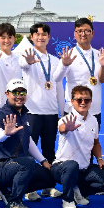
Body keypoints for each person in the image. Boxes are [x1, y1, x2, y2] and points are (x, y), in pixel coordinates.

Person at [19, 22, 75, 199]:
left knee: (49, 151)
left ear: (49, 38)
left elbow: (58, 85)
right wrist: (28, 62)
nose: (41, 37)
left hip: (50, 113)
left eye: (44, 34)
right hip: (32, 111)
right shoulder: (27, 56)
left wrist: (61, 110)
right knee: (29, 151)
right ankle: (29, 188)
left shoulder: (55, 60)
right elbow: (24, 65)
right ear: (32, 37)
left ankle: (48, 186)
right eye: (37, 34)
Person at [0, 78, 56, 208]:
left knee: (49, 177)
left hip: (17, 165)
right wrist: (5, 133)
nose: (19, 96)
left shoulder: (24, 114)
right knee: (28, 162)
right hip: (0, 166)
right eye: (15, 92)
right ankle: (13, 202)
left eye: (22, 92)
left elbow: (29, 140)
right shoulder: (1, 114)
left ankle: (6, 189)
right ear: (7, 94)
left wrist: (43, 161)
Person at [52, 85, 104, 208]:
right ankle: (68, 199)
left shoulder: (93, 120)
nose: (83, 103)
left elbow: (96, 143)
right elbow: (61, 129)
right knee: (72, 165)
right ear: (72, 101)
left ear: (91, 102)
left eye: (86, 100)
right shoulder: (66, 120)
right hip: (62, 168)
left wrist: (99, 159)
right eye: (79, 100)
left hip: (83, 170)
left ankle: (78, 189)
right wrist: (66, 128)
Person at [65, 18, 103, 128]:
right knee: (72, 144)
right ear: (75, 34)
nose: (83, 34)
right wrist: (64, 65)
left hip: (94, 110)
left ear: (92, 33)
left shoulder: (98, 55)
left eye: (87, 31)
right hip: (74, 110)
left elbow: (102, 79)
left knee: (93, 144)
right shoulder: (68, 55)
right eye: (80, 31)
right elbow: (57, 79)